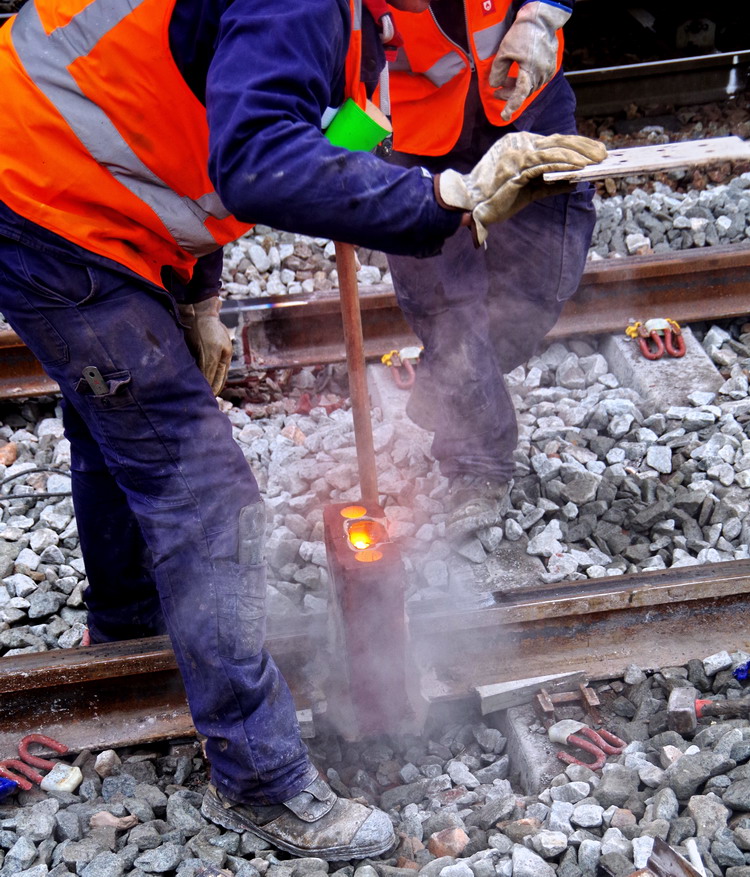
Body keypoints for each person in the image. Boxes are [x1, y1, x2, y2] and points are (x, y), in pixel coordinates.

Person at [0, 0, 604, 860]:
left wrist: (200, 290)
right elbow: (253, 159)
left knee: (118, 416)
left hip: (71, 183)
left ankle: (128, 630)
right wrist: (447, 195)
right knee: (204, 490)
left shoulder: (344, 19)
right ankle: (259, 778)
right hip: (50, 207)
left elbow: (192, 122)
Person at [385, 0, 598, 540]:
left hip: (527, 102)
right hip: (414, 133)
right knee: (445, 308)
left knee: (543, 278)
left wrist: (542, 15)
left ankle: (448, 387)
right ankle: (475, 460)